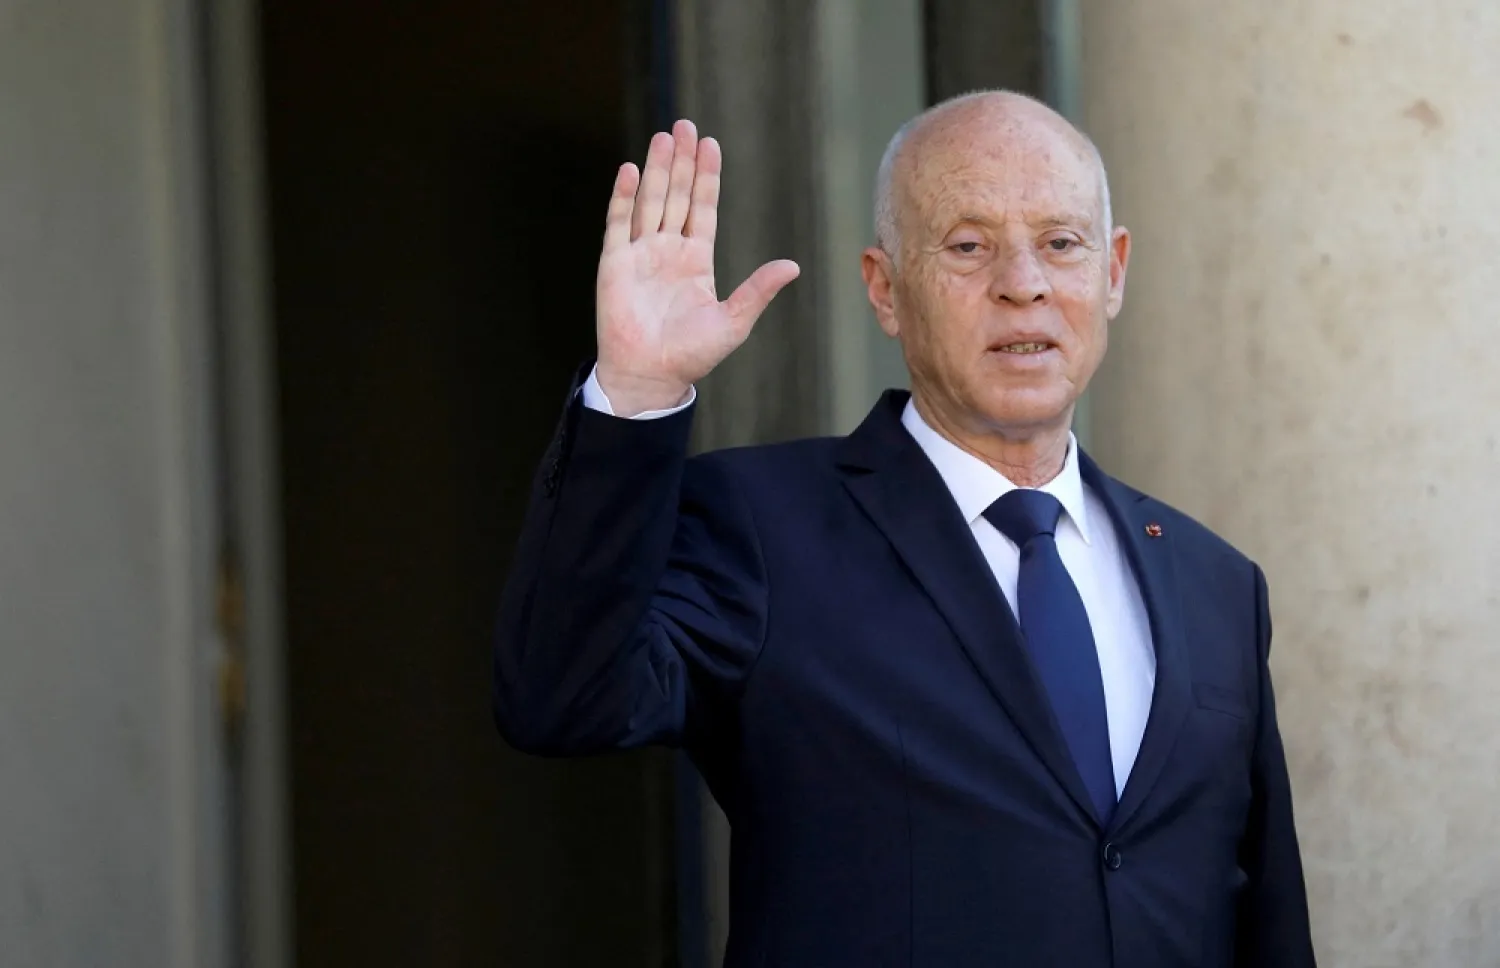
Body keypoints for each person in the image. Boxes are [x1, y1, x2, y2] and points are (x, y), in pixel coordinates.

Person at [492, 90, 1316, 967]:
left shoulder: (1214, 580)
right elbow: (561, 698)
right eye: (968, 246)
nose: (1023, 283)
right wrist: (637, 393)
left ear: (1111, 273)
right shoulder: (763, 529)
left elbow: (1264, 914)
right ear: (886, 289)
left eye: (1061, 244)